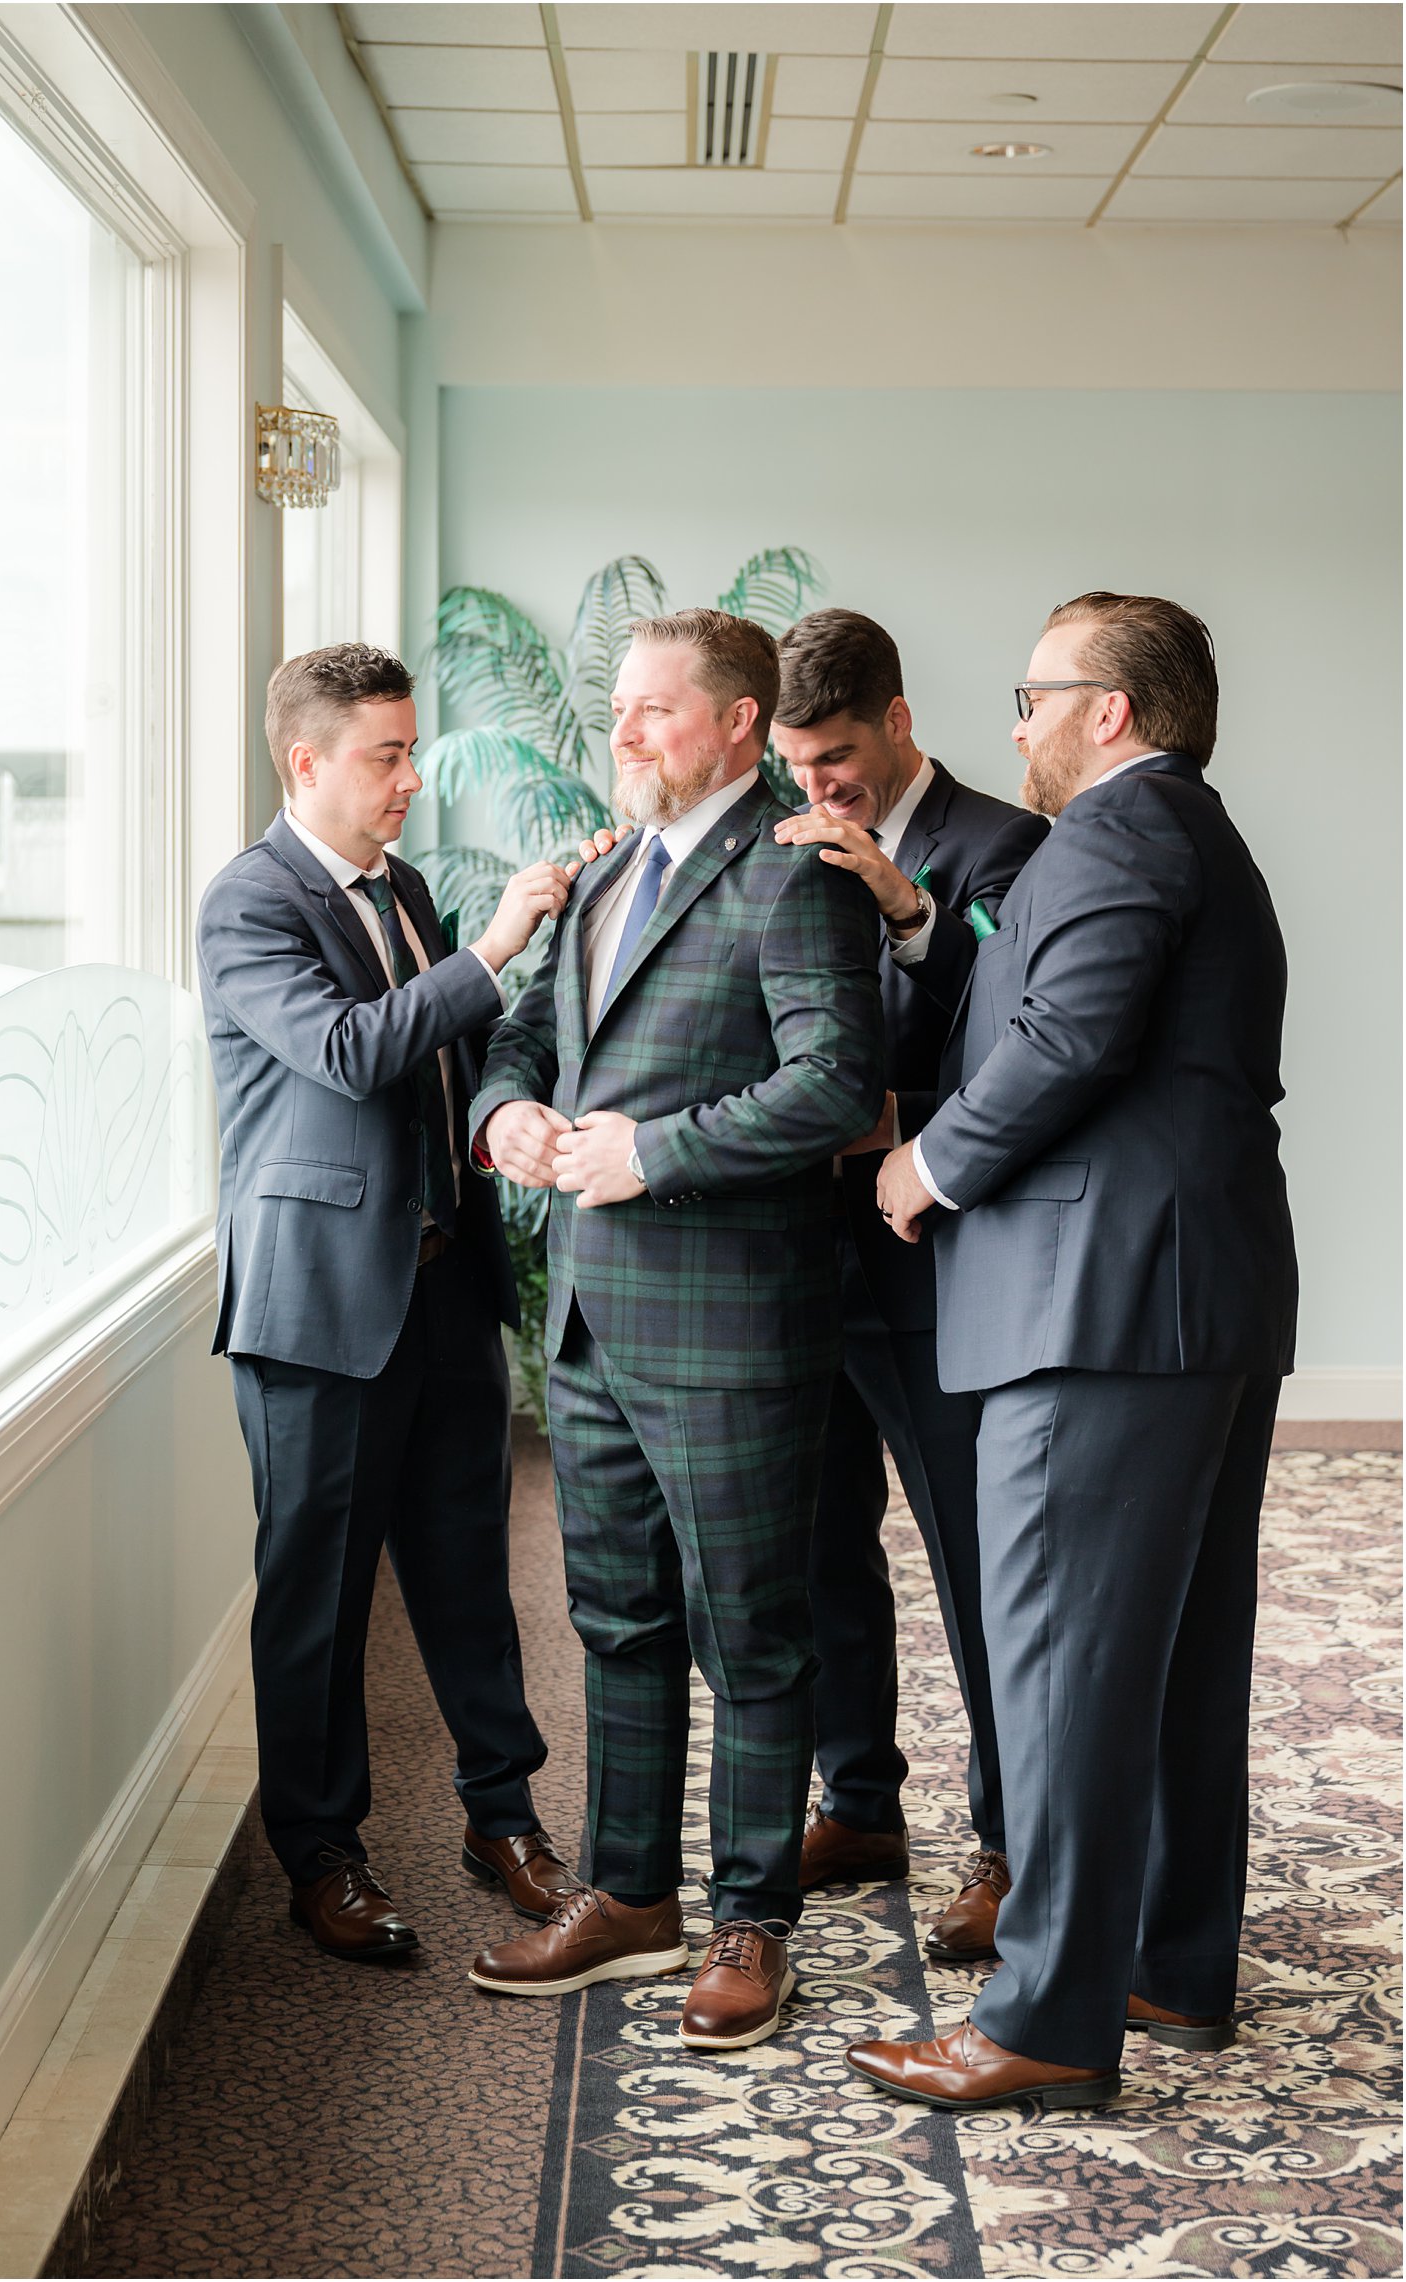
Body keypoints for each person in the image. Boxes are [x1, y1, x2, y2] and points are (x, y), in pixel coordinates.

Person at [844, 593, 1298, 2111]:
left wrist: (928, 1167)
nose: (1017, 721)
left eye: (1037, 693)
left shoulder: (1120, 832)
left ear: (1111, 710)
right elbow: (1043, 1003)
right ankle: (1169, 1957)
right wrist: (920, 925)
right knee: (1165, 1657)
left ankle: (1043, 2014)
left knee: (1065, 1666)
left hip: (1098, 1308)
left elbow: (1069, 1033)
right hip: (1179, 1301)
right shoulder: (1175, 834)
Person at [465, 609, 884, 2049]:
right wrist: (504, 1111)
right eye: (624, 708)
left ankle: (752, 1920)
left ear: (738, 725)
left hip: (733, 1332)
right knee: (618, 1618)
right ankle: (631, 1894)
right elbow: (529, 1036)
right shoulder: (601, 875)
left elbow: (835, 1085)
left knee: (752, 1634)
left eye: (654, 710)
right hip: (587, 1323)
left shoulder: (793, 873)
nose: (624, 730)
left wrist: (656, 1151)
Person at [196, 642, 580, 1962]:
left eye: (413, 749)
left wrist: (512, 1117)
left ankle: (502, 1815)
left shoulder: (404, 886)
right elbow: (354, 1053)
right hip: (316, 1315)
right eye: (387, 754)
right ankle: (322, 1855)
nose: (412, 777)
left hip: (442, 1290)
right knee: (318, 1596)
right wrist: (496, 947)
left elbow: (447, 1070)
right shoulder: (247, 904)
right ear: (307, 760)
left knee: (472, 1574)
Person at [768, 609, 1046, 1959]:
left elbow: (1027, 1060)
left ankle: (1010, 1841)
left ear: (899, 720)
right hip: (803, 1260)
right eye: (798, 763)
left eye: (839, 757)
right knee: (825, 1545)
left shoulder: (1006, 848)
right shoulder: (778, 848)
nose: (821, 788)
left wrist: (905, 909)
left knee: (975, 1556)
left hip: (937, 1263)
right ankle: (860, 1799)